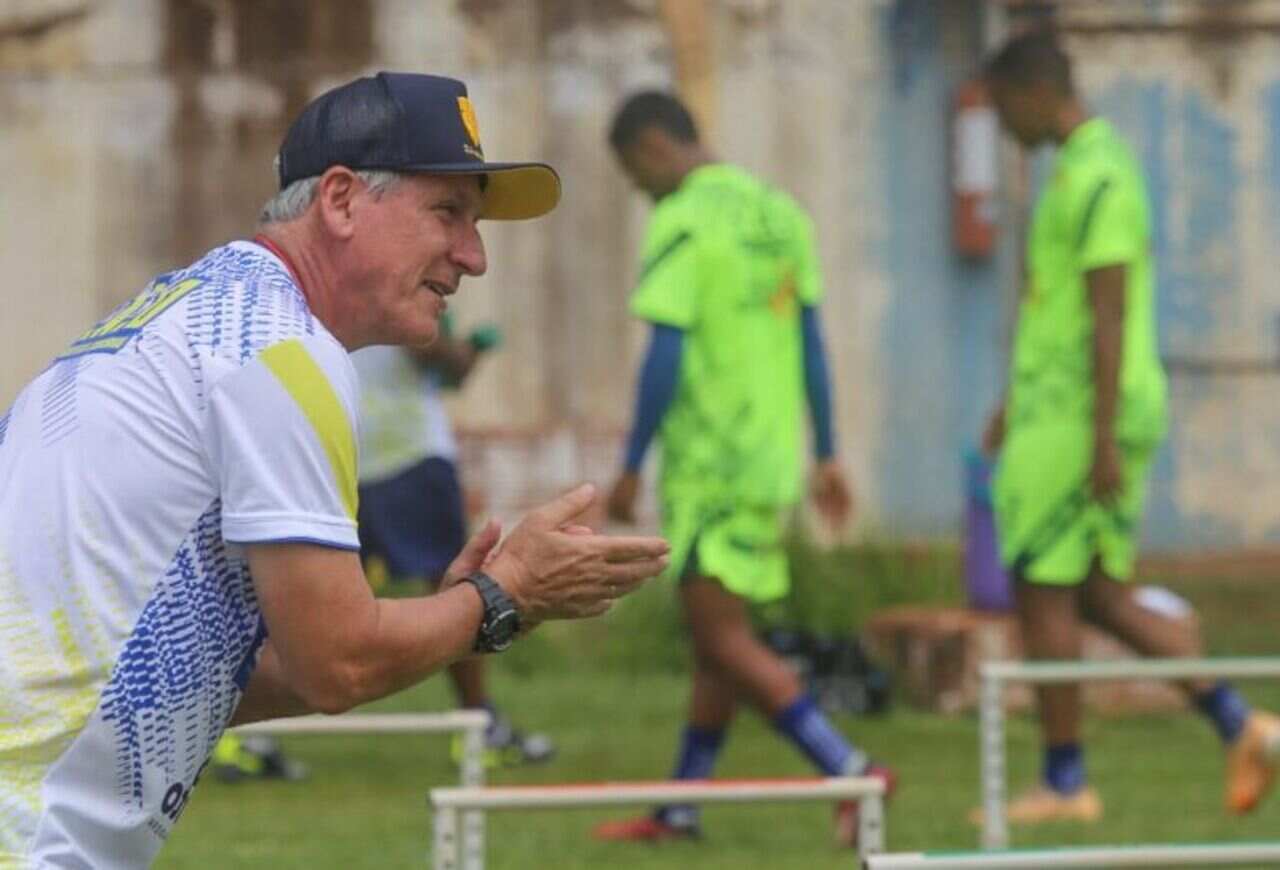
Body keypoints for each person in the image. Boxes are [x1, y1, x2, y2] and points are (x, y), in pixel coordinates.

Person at [0, 72, 669, 867]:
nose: (476, 256)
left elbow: (197, 675)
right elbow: (335, 663)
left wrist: (465, 615)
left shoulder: (187, 316)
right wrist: (505, 593)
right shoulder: (285, 352)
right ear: (343, 200)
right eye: (447, 213)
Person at [981, 30, 1279, 824]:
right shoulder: (1074, 170)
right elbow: (1062, 309)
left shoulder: (1101, 174)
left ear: (1036, 90)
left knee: (1041, 584)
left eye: (1004, 106)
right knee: (1099, 595)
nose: (1003, 126)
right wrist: (1013, 402)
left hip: (1083, 419)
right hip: (1061, 411)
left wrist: (1102, 436)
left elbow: (1108, 311)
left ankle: (1066, 783)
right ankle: (1242, 725)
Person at [592, 91, 893, 847]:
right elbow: (812, 345)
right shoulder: (780, 215)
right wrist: (825, 451)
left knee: (721, 636)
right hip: (770, 457)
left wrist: (631, 464)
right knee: (715, 637)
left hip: (713, 462)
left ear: (654, 146)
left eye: (634, 174)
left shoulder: (683, 220)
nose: (640, 191)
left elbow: (666, 351)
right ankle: (681, 807)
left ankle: (851, 767)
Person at [353, 321, 554, 766]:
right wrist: (461, 350)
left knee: (299, 592)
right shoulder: (400, 267)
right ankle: (480, 726)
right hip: (404, 454)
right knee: (459, 587)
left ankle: (245, 735)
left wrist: (463, 356)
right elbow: (428, 351)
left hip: (349, 453)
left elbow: (446, 374)